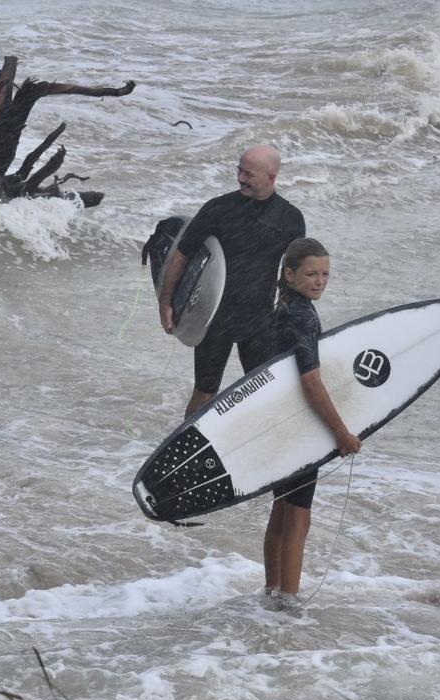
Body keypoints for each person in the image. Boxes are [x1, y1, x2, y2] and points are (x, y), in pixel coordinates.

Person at [158, 144, 306, 418]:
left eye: (248, 173)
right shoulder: (218, 209)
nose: (240, 178)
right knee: (205, 391)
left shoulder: (291, 219)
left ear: (271, 177)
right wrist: (166, 302)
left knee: (264, 389)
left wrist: (293, 316)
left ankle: (260, 446)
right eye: (239, 171)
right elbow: (182, 254)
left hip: (259, 320)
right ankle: (188, 449)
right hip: (214, 318)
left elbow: (293, 273)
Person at [262, 237, 362, 607]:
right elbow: (311, 383)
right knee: (299, 516)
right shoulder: (301, 317)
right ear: (289, 275)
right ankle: (288, 602)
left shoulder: (283, 308)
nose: (320, 281)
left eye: (325, 274)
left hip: (279, 423)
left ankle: (272, 593)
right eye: (311, 274)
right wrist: (341, 434)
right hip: (300, 426)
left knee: (282, 508)